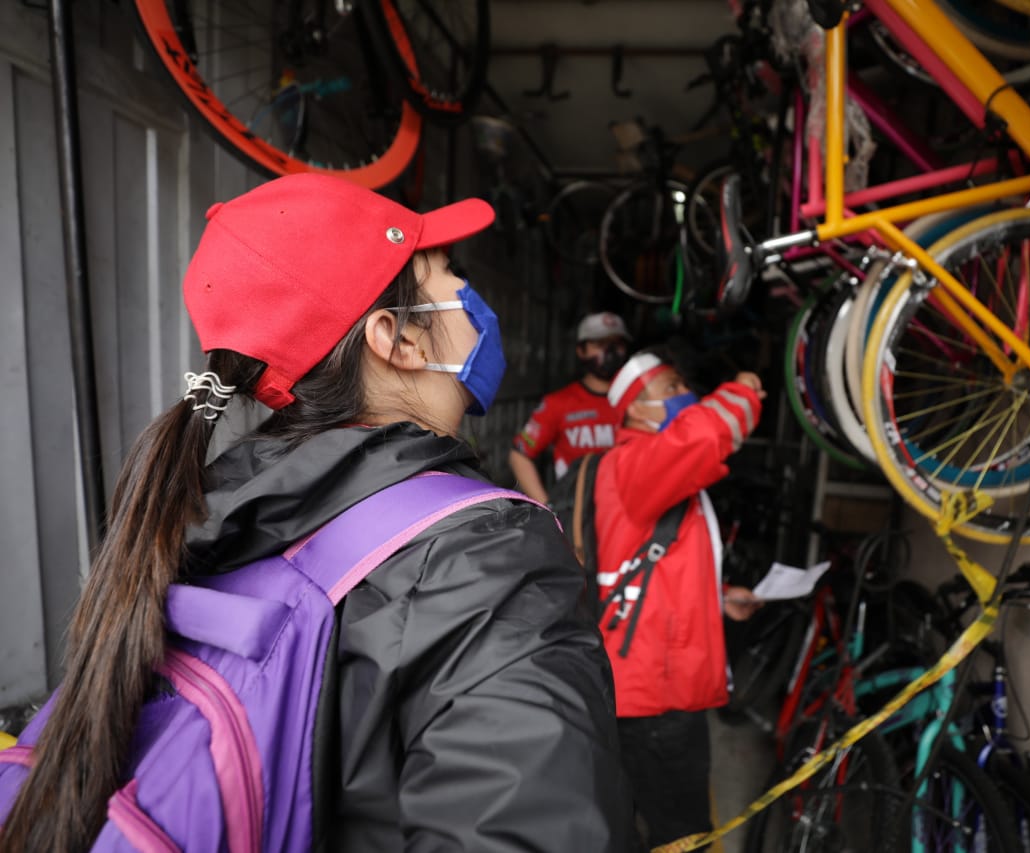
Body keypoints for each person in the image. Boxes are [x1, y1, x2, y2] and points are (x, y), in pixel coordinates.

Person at [0, 174, 631, 852]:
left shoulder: (214, 521)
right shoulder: (485, 558)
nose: (470, 298)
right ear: (398, 339)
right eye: (449, 274)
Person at [593, 350, 767, 848]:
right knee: (682, 835)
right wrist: (744, 388)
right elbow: (709, 433)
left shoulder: (643, 466)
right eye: (669, 389)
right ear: (634, 410)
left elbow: (652, 572)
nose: (683, 395)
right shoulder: (638, 460)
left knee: (655, 823)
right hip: (655, 702)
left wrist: (716, 600)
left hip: (651, 688)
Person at [508, 312, 631, 503]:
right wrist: (548, 507)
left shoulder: (639, 402)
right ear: (581, 351)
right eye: (599, 345)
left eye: (617, 344)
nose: (610, 352)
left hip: (627, 509)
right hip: (576, 511)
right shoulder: (558, 403)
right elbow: (520, 455)